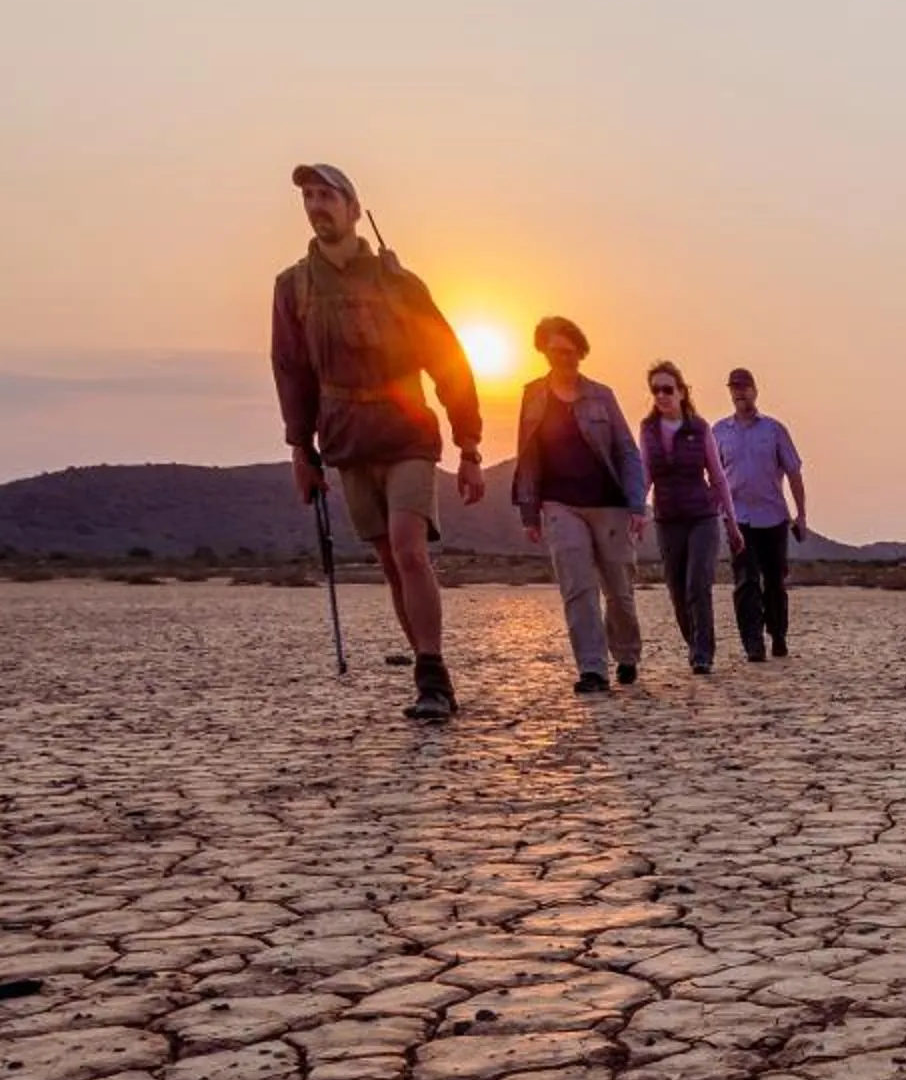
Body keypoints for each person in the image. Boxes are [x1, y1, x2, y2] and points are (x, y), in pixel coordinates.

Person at [270, 162, 486, 721]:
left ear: (352, 207)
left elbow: (449, 360)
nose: (316, 205)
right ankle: (426, 674)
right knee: (390, 561)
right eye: (309, 196)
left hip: (406, 429)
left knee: (410, 549)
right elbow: (291, 370)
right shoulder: (292, 286)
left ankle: (433, 674)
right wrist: (301, 449)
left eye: (327, 195)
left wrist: (469, 446)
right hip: (345, 438)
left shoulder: (399, 282)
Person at [513, 318, 650, 694]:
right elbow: (527, 455)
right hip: (560, 504)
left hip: (609, 504)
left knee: (619, 591)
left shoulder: (601, 396)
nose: (566, 357)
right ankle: (592, 669)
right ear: (544, 351)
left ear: (581, 352)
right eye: (557, 351)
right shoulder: (533, 396)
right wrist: (529, 512)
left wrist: (638, 505)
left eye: (572, 351)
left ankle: (625, 655)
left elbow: (626, 450)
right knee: (578, 587)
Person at [638, 362, 745, 677]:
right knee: (676, 588)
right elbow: (645, 474)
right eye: (655, 390)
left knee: (698, 583)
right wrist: (636, 513)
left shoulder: (699, 428)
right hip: (668, 518)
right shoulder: (648, 429)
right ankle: (693, 642)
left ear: (682, 392)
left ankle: (703, 653)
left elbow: (718, 477)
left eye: (667, 389)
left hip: (702, 516)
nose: (661, 395)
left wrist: (732, 524)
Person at [712, 367, 806, 662]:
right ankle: (752, 642)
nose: (740, 392)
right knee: (746, 579)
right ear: (730, 392)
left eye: (745, 386)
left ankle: (777, 634)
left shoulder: (774, 430)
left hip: (773, 516)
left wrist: (801, 516)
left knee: (775, 580)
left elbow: (793, 473)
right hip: (738, 518)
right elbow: (713, 475)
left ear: (755, 390)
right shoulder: (718, 432)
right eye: (735, 387)